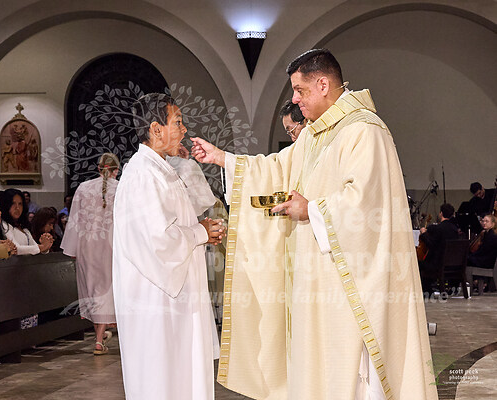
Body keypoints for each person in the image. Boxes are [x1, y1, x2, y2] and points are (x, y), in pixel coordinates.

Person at [192, 49, 437, 399]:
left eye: (300, 90)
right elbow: (277, 168)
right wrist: (223, 159)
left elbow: (367, 201)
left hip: (348, 284)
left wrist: (313, 210)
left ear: (323, 85)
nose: (294, 99)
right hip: (314, 281)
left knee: (351, 373)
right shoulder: (314, 134)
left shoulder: (364, 131)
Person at [112, 93, 225, 399]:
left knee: (181, 377)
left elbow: (187, 212)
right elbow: (157, 241)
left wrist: (202, 231)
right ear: (156, 129)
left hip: (175, 298)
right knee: (161, 380)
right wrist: (200, 233)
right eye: (177, 122)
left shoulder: (161, 169)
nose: (184, 129)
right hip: (157, 302)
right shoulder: (142, 175)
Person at [61, 153, 120, 355]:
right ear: (116, 170)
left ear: (98, 168)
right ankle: (99, 339)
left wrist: (72, 248)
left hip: (87, 246)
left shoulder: (83, 188)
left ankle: (99, 337)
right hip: (111, 246)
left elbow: (74, 221)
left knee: (93, 291)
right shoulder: (120, 188)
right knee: (105, 291)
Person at [418, 203, 460, 292]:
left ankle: (426, 290)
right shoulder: (455, 229)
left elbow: (431, 245)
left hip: (439, 264)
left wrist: (424, 234)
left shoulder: (439, 228)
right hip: (453, 264)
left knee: (418, 263)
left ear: (441, 213)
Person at [0, 188, 53, 255]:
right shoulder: (4, 224)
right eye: (13, 203)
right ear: (6, 205)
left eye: (20, 204)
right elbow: (15, 249)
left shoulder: (22, 225)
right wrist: (42, 247)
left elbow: (34, 247)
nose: (17, 208)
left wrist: (47, 244)